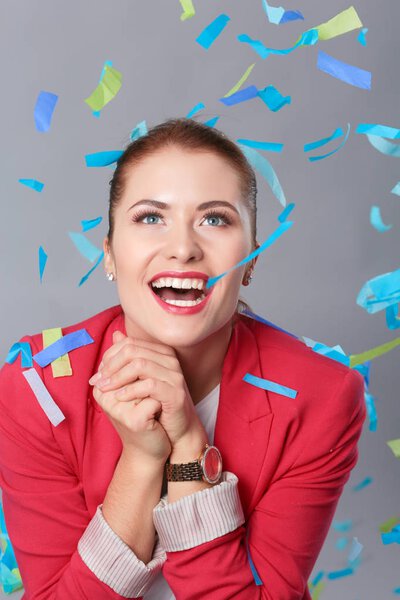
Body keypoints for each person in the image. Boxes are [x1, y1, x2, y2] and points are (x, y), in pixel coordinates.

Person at [0, 118, 366, 599]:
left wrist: (190, 450)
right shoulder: (36, 389)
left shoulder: (323, 396)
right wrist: (141, 458)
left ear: (252, 259)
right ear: (109, 254)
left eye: (215, 219)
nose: (183, 248)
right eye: (151, 217)